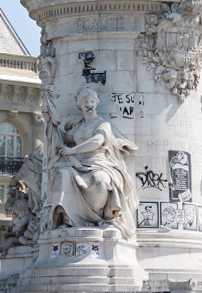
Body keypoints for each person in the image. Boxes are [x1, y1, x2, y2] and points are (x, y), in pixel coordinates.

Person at [49, 87, 138, 238]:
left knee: (101, 181)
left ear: (96, 104)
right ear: (80, 105)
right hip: (78, 164)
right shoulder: (78, 126)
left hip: (99, 162)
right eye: (85, 102)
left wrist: (72, 151)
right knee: (62, 175)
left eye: (91, 101)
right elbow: (63, 138)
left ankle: (100, 217)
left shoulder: (103, 124)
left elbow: (97, 141)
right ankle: (68, 218)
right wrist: (50, 121)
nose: (89, 104)